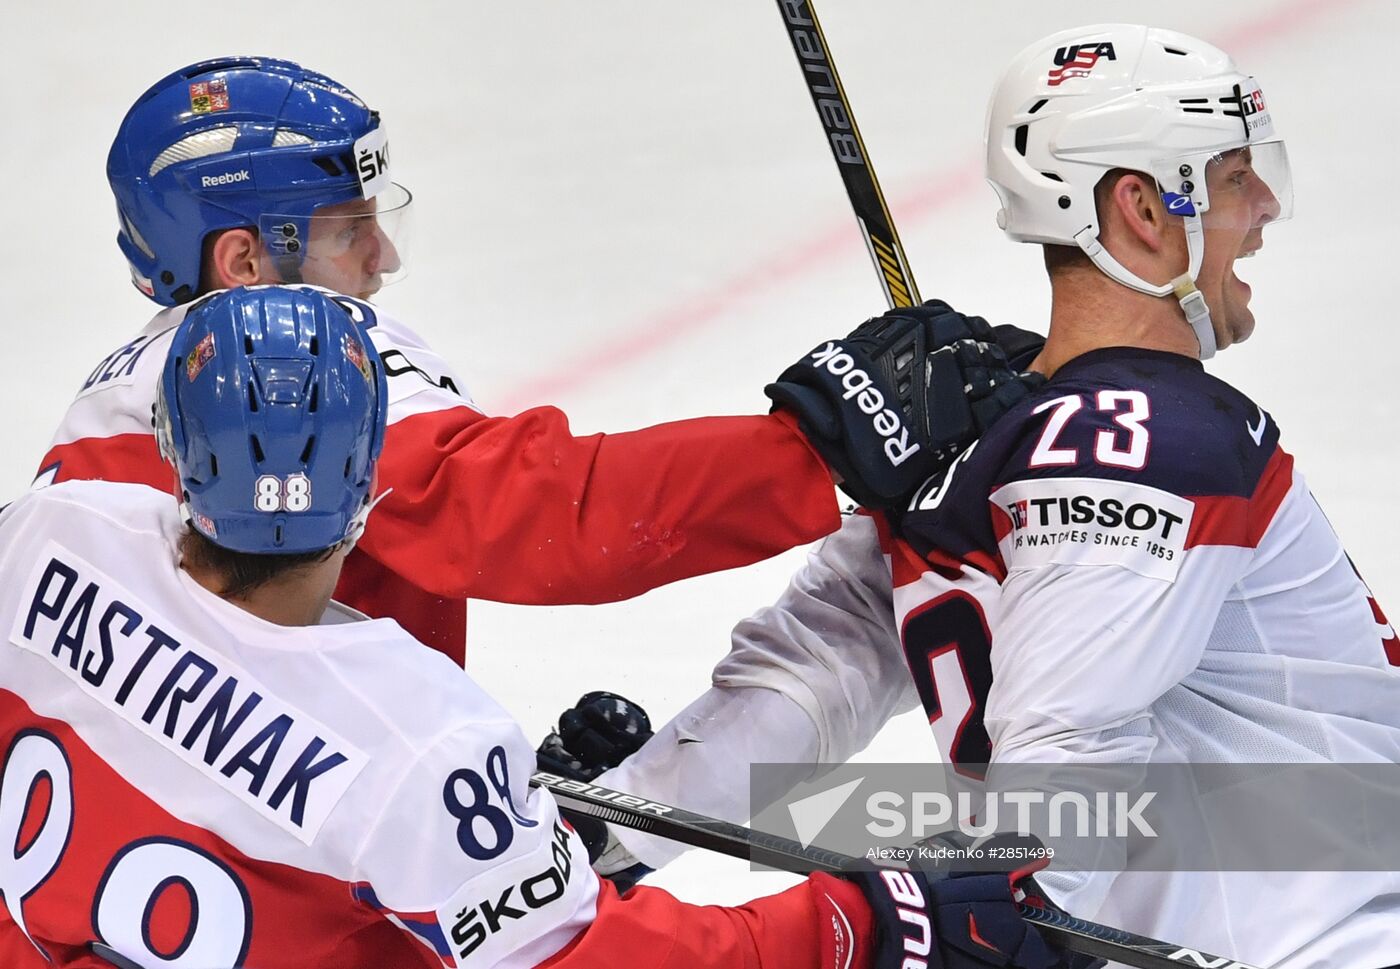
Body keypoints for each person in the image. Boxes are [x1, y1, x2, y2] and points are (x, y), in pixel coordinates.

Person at [571, 24, 1400, 969]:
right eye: (1234, 177)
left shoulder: (968, 446)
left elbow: (806, 678)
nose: (1263, 209)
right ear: (1141, 206)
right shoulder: (1159, 437)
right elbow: (1063, 736)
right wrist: (1011, 906)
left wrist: (612, 829)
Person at [0, 285, 1053, 969]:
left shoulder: (46, 531)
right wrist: (857, 929)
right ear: (375, 475)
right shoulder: (410, 737)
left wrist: (525, 846)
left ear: (174, 454)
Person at [41, 56, 1027, 665]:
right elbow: (517, 513)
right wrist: (824, 443)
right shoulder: (289, 374)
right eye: (349, 232)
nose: (381, 260)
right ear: (245, 261)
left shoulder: (112, 406)